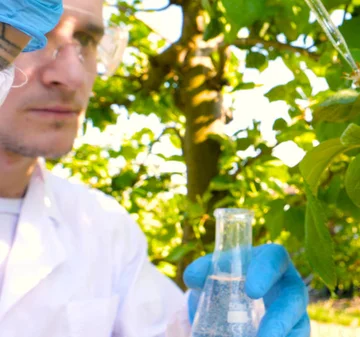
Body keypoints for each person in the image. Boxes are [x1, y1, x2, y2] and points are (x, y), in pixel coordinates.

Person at [0, 0, 310, 336]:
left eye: (87, 41)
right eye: (35, 36)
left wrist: (234, 314)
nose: (73, 76)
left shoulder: (105, 230)